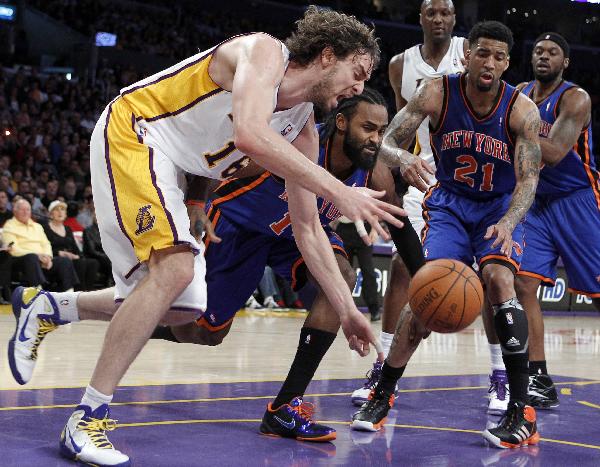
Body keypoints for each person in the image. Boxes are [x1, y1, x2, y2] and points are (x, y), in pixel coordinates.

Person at [8, 8, 404, 466]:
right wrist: (336, 188)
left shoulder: (300, 129)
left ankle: (50, 307)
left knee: (186, 309)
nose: (357, 88)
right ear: (327, 55)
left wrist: (347, 308)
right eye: (356, 74)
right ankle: (86, 418)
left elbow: (308, 228)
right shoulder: (265, 52)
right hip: (136, 130)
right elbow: (250, 134)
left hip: (170, 166)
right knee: (174, 268)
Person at [351, 21, 543, 449]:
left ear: (507, 63)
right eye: (482, 53)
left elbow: (528, 180)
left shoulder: (521, 110)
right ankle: (383, 394)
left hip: (497, 209)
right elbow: (386, 141)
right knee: (424, 296)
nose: (489, 63)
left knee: (499, 280)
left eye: (498, 56)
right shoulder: (437, 92)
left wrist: (510, 222)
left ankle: (520, 410)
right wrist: (402, 158)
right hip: (451, 206)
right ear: (467, 55)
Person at [352, 0, 469, 407]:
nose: (438, 19)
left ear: (454, 20)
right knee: (403, 266)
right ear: (420, 18)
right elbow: (396, 136)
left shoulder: (470, 52)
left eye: (446, 13)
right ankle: (382, 365)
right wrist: (389, 189)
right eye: (431, 12)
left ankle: (500, 375)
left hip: (469, 183)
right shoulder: (401, 64)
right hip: (423, 175)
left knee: (493, 280)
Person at [514, 32, 600, 409]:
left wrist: (512, 129)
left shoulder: (575, 98)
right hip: (536, 201)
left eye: (552, 52)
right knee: (522, 283)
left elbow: (553, 152)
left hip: (577, 200)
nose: (543, 56)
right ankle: (538, 376)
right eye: (538, 50)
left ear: (565, 62)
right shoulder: (518, 92)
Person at [3, 198, 78, 291]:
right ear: (15, 211)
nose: (25, 212)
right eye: (22, 209)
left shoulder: (37, 226)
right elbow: (13, 249)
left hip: (42, 260)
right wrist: (37, 256)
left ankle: (69, 293)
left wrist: (48, 257)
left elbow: (46, 243)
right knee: (31, 257)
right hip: (21, 260)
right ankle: (39, 292)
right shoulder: (9, 226)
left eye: (28, 209)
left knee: (64, 261)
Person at [43, 200, 100, 291]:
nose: (60, 212)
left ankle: (89, 291)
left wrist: (78, 255)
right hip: (55, 258)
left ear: (66, 214)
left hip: (70, 257)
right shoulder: (45, 228)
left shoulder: (67, 228)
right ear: (51, 214)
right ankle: (79, 291)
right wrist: (59, 253)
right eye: (56, 209)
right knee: (79, 263)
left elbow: (74, 246)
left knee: (92, 262)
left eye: (62, 209)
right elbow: (44, 247)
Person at [334, 216, 381, 321]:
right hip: (343, 228)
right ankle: (342, 309)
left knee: (368, 271)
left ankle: (374, 309)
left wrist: (374, 229)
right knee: (343, 272)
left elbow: (372, 205)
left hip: (364, 227)